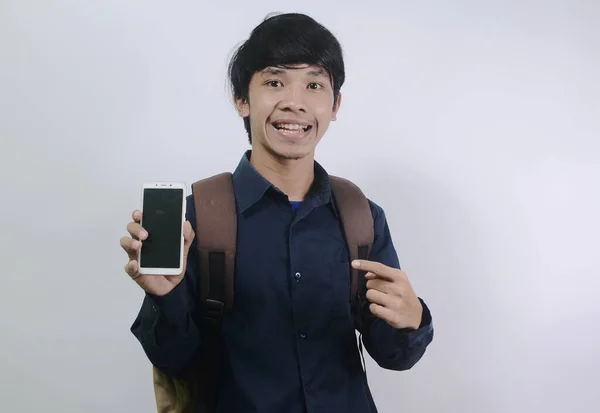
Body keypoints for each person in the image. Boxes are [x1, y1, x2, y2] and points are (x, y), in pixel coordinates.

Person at [120, 12, 434, 413]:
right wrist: (165, 298)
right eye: (274, 81)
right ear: (241, 100)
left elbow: (394, 356)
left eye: (315, 84)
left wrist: (412, 318)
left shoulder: (362, 216)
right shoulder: (197, 217)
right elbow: (175, 359)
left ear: (335, 104)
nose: (295, 102)